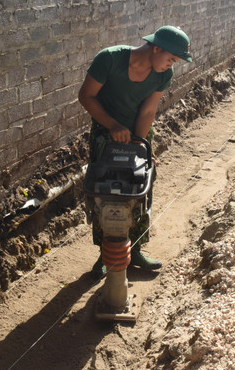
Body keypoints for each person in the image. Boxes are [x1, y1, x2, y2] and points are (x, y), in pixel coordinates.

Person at [78, 25, 192, 279]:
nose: (172, 64)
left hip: (139, 132)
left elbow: (148, 111)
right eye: (171, 58)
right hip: (105, 133)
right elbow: (86, 96)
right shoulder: (109, 59)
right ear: (156, 47)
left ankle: (136, 248)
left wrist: (139, 143)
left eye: (176, 61)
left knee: (140, 189)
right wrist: (113, 125)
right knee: (104, 191)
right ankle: (105, 253)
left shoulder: (163, 75)